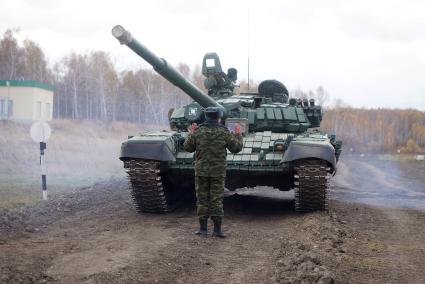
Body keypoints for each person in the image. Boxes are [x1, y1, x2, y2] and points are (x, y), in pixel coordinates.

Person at [183, 107, 243, 238]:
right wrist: (238, 134)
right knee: (216, 200)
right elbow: (236, 148)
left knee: (202, 199)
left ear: (206, 117)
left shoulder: (198, 132)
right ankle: (217, 230)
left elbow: (187, 148)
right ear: (219, 117)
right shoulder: (224, 132)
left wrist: (191, 133)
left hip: (201, 172)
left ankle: (203, 230)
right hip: (218, 172)